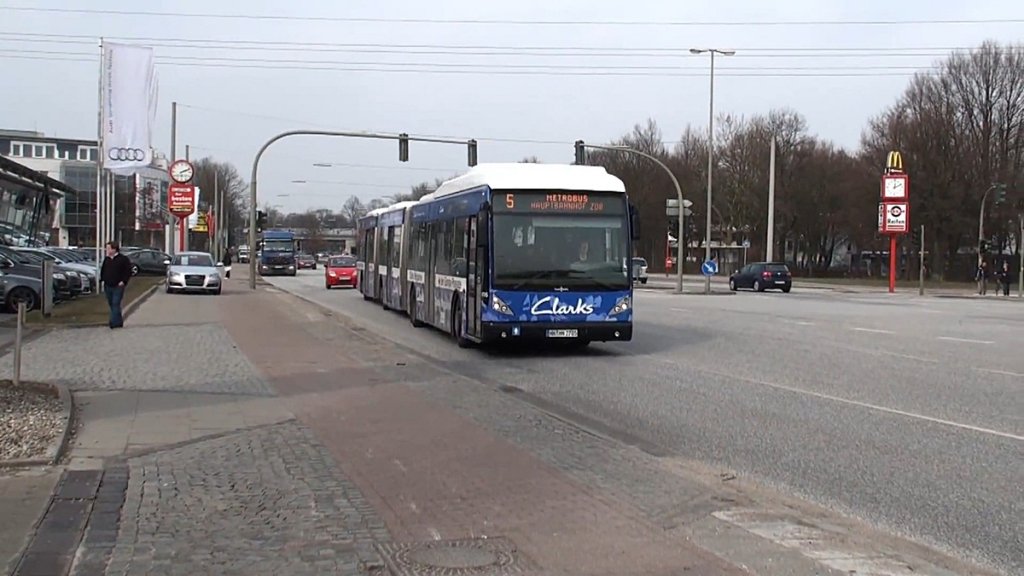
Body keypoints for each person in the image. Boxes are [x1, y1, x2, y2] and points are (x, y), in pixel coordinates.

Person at [100, 241, 133, 328]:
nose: (107, 250)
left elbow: (128, 271)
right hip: (108, 285)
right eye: (107, 248)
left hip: (118, 286)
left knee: (115, 303)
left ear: (114, 249)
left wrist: (123, 281)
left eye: (109, 248)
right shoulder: (107, 259)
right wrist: (102, 279)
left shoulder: (123, 259)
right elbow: (103, 270)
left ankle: (113, 322)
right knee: (112, 304)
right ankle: (118, 321)